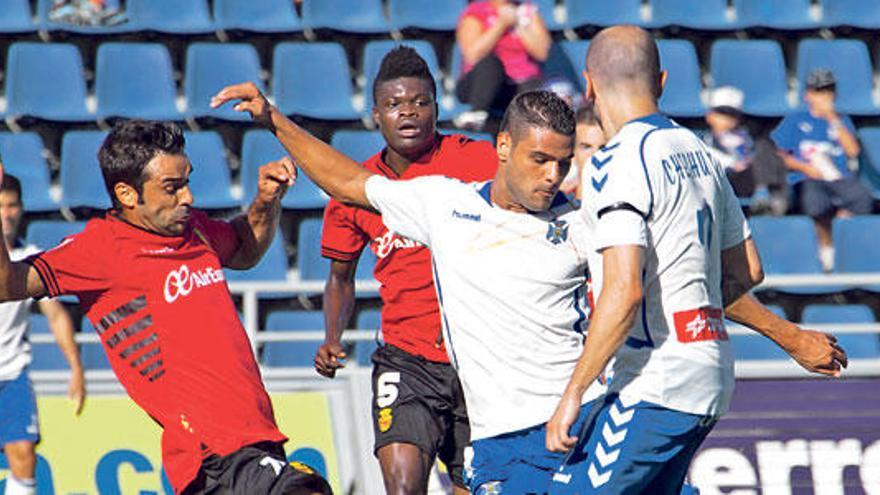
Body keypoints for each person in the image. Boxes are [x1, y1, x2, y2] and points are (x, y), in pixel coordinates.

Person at [212, 79, 845, 495]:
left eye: (564, 162)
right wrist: (273, 118)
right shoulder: (443, 205)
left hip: (587, 424)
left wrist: (788, 336)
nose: (554, 176)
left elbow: (688, 284)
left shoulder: (583, 223)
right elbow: (348, 182)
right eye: (539, 160)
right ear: (504, 146)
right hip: (503, 447)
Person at [544, 26, 848, 494]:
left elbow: (624, 290)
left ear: (588, 84)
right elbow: (747, 269)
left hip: (652, 382)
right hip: (709, 372)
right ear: (662, 81)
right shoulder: (700, 153)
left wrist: (573, 392)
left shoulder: (616, 161)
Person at [0, 121, 331, 495]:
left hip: (254, 440)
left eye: (187, 181)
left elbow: (244, 249)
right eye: (172, 188)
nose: (187, 197)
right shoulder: (99, 250)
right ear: (127, 194)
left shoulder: (196, 231)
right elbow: (7, 284)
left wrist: (265, 202)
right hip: (213, 453)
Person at [313, 47, 497, 495]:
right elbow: (340, 276)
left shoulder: (477, 162)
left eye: (419, 102)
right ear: (377, 114)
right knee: (402, 484)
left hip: (476, 357)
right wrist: (333, 337)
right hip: (405, 358)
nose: (408, 113)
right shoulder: (355, 189)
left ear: (436, 106)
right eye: (395, 104)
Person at [0, 173, 84, 495]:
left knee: (23, 454)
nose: (7, 213)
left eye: (12, 205)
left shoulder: (30, 258)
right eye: (1, 206)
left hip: (11, 372)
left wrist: (76, 367)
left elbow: (56, 315)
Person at [772, 68, 874, 272]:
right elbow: (778, 154)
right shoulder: (796, 120)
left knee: (862, 198)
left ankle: (841, 243)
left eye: (828, 91)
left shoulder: (841, 120)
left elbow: (853, 151)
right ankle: (825, 248)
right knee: (814, 201)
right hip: (808, 177)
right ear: (808, 94)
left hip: (838, 178)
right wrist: (804, 167)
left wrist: (833, 119)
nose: (824, 96)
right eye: (819, 91)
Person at [454, 0, 552, 131]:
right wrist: (501, 25)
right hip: (481, 86)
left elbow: (542, 53)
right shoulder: (477, 11)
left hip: (518, 85)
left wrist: (518, 25)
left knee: (535, 85)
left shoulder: (527, 11)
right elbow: (472, 55)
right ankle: (476, 115)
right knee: (491, 64)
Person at [703, 86, 788, 216]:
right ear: (709, 116)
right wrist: (732, 163)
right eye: (721, 113)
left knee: (764, 146)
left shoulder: (746, 137)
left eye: (731, 115)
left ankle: (768, 196)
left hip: (749, 179)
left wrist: (746, 162)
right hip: (724, 181)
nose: (727, 120)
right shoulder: (704, 140)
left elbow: (756, 156)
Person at [560, 103, 605, 199]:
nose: (595, 155)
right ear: (572, 152)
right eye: (586, 147)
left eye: (603, 147)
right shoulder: (556, 202)